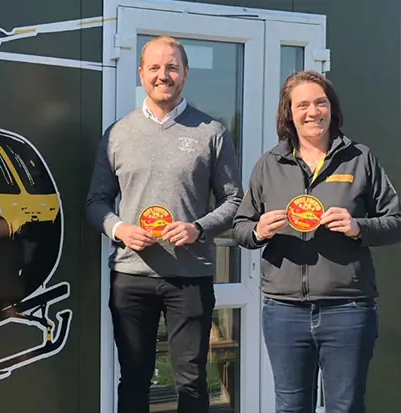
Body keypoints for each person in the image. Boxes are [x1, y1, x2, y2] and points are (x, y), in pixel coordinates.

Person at [85, 36, 242, 413]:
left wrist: (199, 228)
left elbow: (235, 201)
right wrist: (119, 229)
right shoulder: (117, 134)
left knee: (190, 381)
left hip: (190, 276)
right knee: (134, 379)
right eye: (154, 67)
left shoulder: (211, 132)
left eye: (171, 67)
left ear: (185, 73)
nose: (163, 75)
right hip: (131, 277)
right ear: (141, 74)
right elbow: (96, 202)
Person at [233, 70, 401, 413]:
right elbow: (240, 227)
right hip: (284, 311)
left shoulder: (359, 158)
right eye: (303, 105)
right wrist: (259, 231)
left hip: (348, 309)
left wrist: (358, 227)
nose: (313, 112)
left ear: (332, 108)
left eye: (320, 102)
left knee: (346, 406)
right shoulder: (269, 164)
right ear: (289, 114)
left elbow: (396, 221)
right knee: (291, 406)